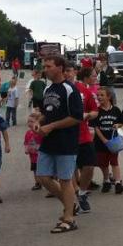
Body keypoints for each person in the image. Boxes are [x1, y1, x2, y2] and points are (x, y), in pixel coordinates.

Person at [36, 55, 84, 233]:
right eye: (44, 66)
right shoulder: (49, 89)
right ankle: (69, 205)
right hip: (48, 141)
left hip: (66, 141)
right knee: (43, 177)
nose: (45, 69)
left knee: (65, 180)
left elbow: (77, 117)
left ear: (60, 68)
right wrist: (39, 122)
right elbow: (46, 112)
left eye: (48, 66)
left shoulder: (69, 89)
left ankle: (69, 218)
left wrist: (52, 126)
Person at [70, 63, 99, 214]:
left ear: (75, 72)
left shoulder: (83, 90)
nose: (68, 74)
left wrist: (88, 115)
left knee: (89, 165)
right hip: (66, 137)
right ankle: (74, 196)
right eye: (65, 71)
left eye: (70, 71)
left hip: (83, 135)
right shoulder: (54, 91)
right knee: (69, 170)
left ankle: (81, 193)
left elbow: (94, 110)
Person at [92, 86, 123, 195]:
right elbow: (96, 127)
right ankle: (106, 180)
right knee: (103, 164)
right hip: (100, 142)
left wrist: (118, 125)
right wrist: (103, 140)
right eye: (98, 95)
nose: (99, 97)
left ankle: (117, 183)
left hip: (113, 141)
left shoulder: (115, 110)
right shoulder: (97, 111)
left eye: (102, 95)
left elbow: (122, 122)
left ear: (109, 97)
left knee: (114, 162)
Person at [23, 112, 43, 190]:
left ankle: (45, 181)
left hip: (40, 154)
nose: (30, 123)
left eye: (32, 121)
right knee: (34, 169)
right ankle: (37, 183)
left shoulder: (39, 131)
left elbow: (43, 141)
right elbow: (26, 142)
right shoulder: (28, 133)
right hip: (32, 155)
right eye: (28, 121)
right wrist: (26, 149)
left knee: (42, 169)